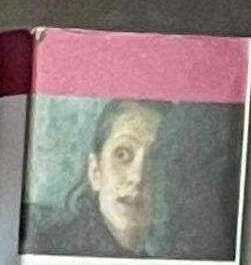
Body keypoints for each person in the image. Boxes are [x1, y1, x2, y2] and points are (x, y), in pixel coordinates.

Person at [31, 98, 165, 255]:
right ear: (95, 172)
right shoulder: (50, 249)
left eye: (155, 158)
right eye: (122, 155)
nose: (137, 176)